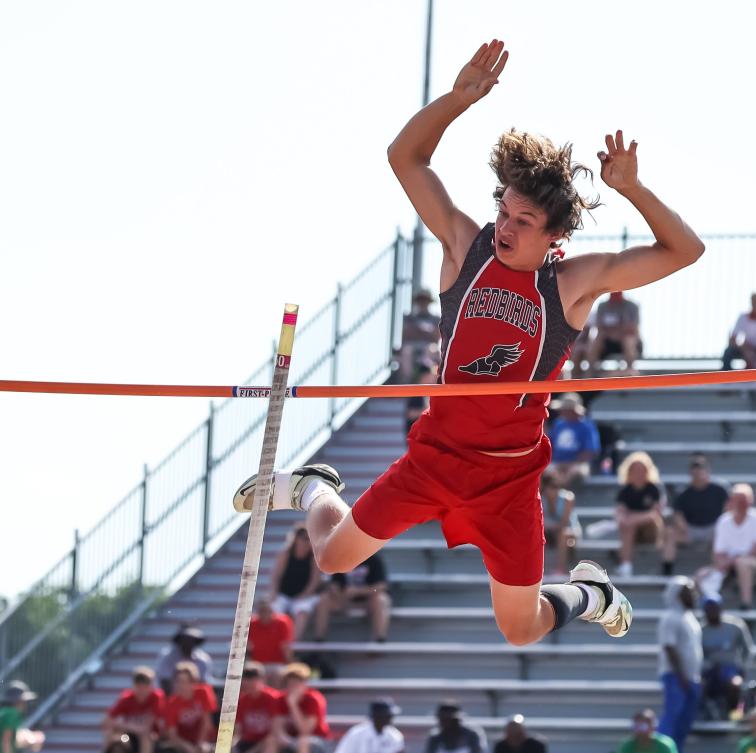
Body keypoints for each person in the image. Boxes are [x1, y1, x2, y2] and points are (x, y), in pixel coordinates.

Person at [234, 38, 705, 648]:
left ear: (556, 233)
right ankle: (312, 487)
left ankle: (592, 595)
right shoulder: (466, 247)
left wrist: (634, 190)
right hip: (436, 457)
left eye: (523, 222)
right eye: (503, 211)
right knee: (332, 557)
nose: (504, 227)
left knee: (521, 628)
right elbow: (406, 158)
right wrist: (457, 100)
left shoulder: (572, 285)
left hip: (507, 480)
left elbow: (684, 251)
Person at [697, 484, 756, 611]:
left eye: (744, 501)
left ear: (751, 501)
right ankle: (707, 607)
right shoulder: (723, 521)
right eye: (738, 500)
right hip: (729, 565)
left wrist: (733, 561)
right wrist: (723, 564)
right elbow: (718, 553)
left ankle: (746, 604)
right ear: (731, 501)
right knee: (701, 575)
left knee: (742, 563)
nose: (741, 504)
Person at [662, 454, 729, 577]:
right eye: (695, 469)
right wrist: (683, 526)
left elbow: (728, 509)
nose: (698, 473)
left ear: (708, 471)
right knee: (670, 533)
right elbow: (678, 514)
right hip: (690, 529)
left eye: (701, 469)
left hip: (713, 529)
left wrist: (721, 526)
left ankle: (717, 571)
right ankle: (667, 569)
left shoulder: (719, 490)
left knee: (720, 534)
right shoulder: (683, 493)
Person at [657, 577, 702, 753]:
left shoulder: (689, 617)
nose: (694, 595)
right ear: (678, 594)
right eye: (689, 591)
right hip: (676, 676)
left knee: (684, 722)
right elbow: (669, 647)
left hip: (691, 677)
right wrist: (681, 674)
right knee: (672, 718)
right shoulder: (670, 617)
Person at [313, 554, 391, 642]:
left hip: (368, 601)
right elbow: (335, 584)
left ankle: (380, 639)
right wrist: (340, 594)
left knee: (381, 599)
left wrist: (360, 591)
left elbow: (380, 587)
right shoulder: (340, 560)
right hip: (344, 601)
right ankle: (319, 639)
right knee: (324, 599)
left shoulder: (374, 560)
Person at [700, 596, 753, 720]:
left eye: (715, 608)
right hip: (710, 671)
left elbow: (748, 649)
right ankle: (706, 715)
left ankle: (734, 714)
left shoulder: (735, 626)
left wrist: (742, 668)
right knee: (697, 686)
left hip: (731, 670)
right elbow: (698, 654)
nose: (712, 612)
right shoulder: (700, 630)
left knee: (735, 685)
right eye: (709, 609)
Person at [615, 452, 666, 577]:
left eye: (642, 470)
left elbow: (655, 514)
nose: (639, 473)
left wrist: (633, 518)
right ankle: (626, 566)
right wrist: (628, 520)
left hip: (651, 530)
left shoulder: (654, 489)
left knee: (630, 523)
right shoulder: (625, 491)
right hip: (632, 531)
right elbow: (620, 513)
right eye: (635, 470)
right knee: (628, 526)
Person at [270, 524, 325, 640]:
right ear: (296, 538)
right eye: (304, 538)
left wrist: (302, 596)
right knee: (274, 612)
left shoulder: (314, 557)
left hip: (304, 595)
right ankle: (273, 643)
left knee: (302, 612)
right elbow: (276, 576)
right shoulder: (285, 553)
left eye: (309, 538)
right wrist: (274, 592)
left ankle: (290, 645)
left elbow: (314, 582)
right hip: (283, 594)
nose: (307, 542)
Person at [103, 667, 166, 753]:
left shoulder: (156, 698)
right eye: (139, 686)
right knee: (118, 741)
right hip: (128, 737)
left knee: (145, 738)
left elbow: (146, 728)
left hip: (152, 737)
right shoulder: (126, 699)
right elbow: (107, 721)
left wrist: (124, 725)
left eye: (145, 686)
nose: (142, 690)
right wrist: (129, 727)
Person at [159, 662, 216, 753]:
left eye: (185, 682)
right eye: (178, 681)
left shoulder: (203, 693)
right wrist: (187, 747)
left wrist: (200, 744)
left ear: (194, 682)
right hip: (183, 743)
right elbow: (172, 734)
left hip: (205, 740)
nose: (181, 685)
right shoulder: (172, 703)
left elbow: (207, 723)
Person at [546, 393, 601, 486]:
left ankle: (560, 491)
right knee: (546, 470)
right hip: (556, 463)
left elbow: (590, 451)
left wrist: (570, 463)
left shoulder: (586, 426)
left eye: (565, 409)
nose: (561, 411)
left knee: (576, 471)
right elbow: (549, 444)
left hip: (577, 463)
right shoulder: (558, 424)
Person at [276, 663, 330, 753]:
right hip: (292, 738)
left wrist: (293, 704)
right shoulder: (281, 699)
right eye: (290, 683)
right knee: (272, 740)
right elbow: (277, 725)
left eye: (296, 683)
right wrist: (281, 736)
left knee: (303, 741)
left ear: (304, 683)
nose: (293, 686)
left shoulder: (313, 699)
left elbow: (305, 730)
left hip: (316, 740)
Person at [586, 291, 642, 374]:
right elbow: (600, 327)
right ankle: (590, 373)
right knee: (596, 341)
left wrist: (615, 331)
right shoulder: (602, 306)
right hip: (608, 341)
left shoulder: (632, 306)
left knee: (628, 340)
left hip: (627, 342)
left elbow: (632, 328)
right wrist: (616, 331)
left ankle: (630, 371)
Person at [233, 663, 282, 753]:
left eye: (252, 679)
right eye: (246, 679)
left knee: (271, 742)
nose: (248, 682)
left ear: (262, 680)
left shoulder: (273, 698)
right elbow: (238, 730)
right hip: (248, 741)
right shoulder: (243, 699)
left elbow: (276, 731)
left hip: (267, 741)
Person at [540, 468, 581, 575]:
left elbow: (564, 524)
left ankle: (560, 568)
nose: (555, 489)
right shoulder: (541, 498)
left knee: (563, 534)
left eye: (557, 486)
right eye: (552, 486)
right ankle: (537, 569)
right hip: (549, 532)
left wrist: (547, 525)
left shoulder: (568, 498)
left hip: (570, 532)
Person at [156, 626, 213, 696]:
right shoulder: (167, 657)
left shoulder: (203, 659)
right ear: (180, 641)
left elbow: (203, 684)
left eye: (191, 640)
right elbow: (164, 682)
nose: (188, 643)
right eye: (186, 640)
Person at [248, 600, 295, 685]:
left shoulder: (282, 623)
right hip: (257, 663)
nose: (265, 614)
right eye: (262, 611)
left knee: (278, 674)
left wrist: (291, 664)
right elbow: (248, 647)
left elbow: (285, 646)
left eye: (267, 610)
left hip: (278, 663)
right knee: (252, 676)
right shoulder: (251, 624)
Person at [332, 698, 404, 753]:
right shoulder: (356, 734)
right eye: (387, 715)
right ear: (378, 716)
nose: (391, 718)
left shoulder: (394, 736)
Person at [399, 289, 441, 379]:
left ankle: (426, 378)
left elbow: (436, 337)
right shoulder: (409, 317)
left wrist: (420, 331)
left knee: (430, 350)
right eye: (421, 300)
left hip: (429, 347)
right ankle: (407, 382)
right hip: (413, 346)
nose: (423, 303)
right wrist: (425, 331)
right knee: (406, 351)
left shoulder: (436, 318)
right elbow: (406, 335)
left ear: (429, 302)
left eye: (425, 300)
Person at [0, 681, 44, 753]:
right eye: (24, 701)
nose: (25, 705)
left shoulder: (4, 711)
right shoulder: (12, 713)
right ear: (17, 701)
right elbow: (6, 740)